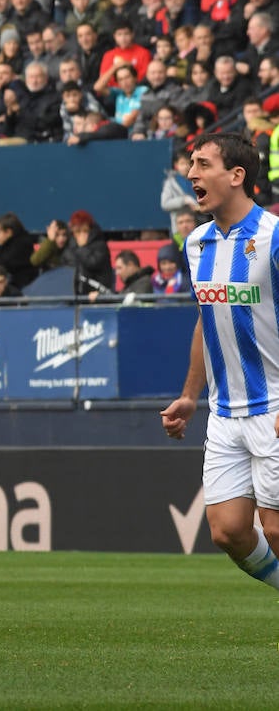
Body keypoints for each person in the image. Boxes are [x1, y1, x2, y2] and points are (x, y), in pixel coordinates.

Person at [161, 133, 279, 627]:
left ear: (236, 175)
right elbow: (205, 319)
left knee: (275, 529)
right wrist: (191, 395)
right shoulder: (196, 242)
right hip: (225, 412)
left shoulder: (274, 236)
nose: (191, 173)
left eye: (202, 164)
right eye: (191, 163)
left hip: (274, 406)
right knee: (228, 530)